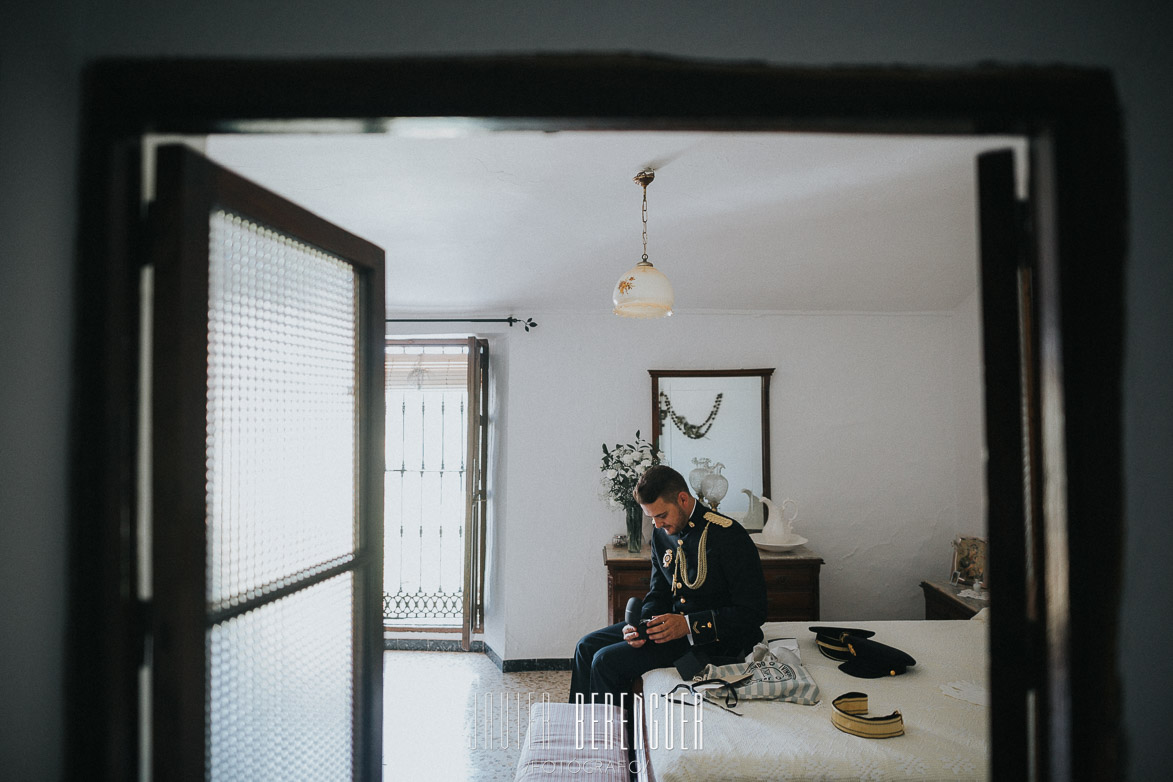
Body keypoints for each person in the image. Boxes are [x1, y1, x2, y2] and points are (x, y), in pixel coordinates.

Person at [569, 464, 768, 706]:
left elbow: (754, 612)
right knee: (585, 647)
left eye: (661, 515)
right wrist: (640, 625)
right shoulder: (662, 534)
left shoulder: (728, 536)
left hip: (713, 641)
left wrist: (687, 625)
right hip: (670, 626)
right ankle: (580, 731)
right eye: (651, 517)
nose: (657, 524)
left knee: (604, 661)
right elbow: (659, 593)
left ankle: (613, 741)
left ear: (683, 499)